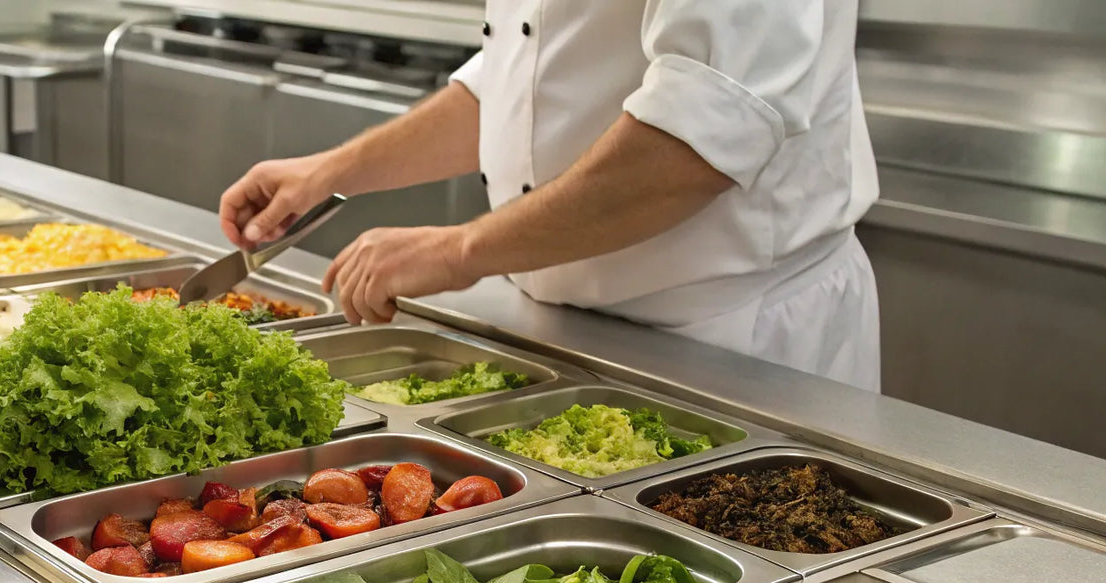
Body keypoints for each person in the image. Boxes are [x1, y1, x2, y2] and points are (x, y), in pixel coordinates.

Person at [219, 1, 881, 390]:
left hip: (729, 342)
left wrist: (462, 250)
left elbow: (703, 130)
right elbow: (525, 82)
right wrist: (334, 170)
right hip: (566, 328)